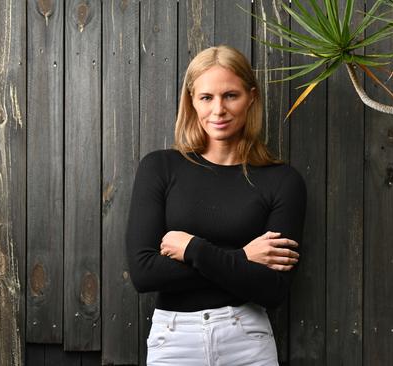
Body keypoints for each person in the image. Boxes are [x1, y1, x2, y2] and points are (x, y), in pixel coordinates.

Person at [125, 45, 306, 366]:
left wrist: (194, 249)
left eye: (231, 95)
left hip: (247, 338)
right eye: (207, 97)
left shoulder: (282, 180)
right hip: (174, 340)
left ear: (251, 97)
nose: (218, 109)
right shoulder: (160, 168)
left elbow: (274, 289)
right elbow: (144, 274)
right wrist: (243, 258)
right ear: (191, 101)